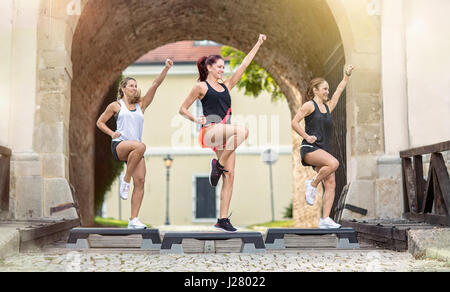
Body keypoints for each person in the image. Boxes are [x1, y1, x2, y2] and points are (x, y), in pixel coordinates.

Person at [179, 34, 267, 232]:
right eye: (219, 67)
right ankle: (217, 165)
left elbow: (243, 65)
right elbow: (182, 109)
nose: (222, 70)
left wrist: (258, 43)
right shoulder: (201, 86)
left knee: (230, 175)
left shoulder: (227, 85)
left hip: (225, 136)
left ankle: (222, 219)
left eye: (223, 67)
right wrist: (195, 119)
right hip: (210, 131)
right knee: (243, 131)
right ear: (209, 68)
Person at [96, 59, 173, 229]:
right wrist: (111, 133)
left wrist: (166, 68)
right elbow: (100, 122)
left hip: (136, 151)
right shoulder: (116, 106)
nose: (134, 88)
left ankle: (133, 220)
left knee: (141, 181)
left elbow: (155, 85)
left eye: (135, 85)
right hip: (120, 145)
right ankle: (126, 179)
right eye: (131, 85)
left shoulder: (141, 105)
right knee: (141, 146)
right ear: (123, 88)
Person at [291, 65, 355, 229]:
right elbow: (294, 122)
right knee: (334, 164)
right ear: (316, 90)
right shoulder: (309, 105)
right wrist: (306, 136)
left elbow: (338, 92)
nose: (327, 91)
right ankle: (312, 184)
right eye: (325, 88)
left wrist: (346, 75)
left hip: (322, 150)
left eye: (328, 89)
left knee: (331, 182)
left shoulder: (328, 107)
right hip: (310, 148)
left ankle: (325, 219)